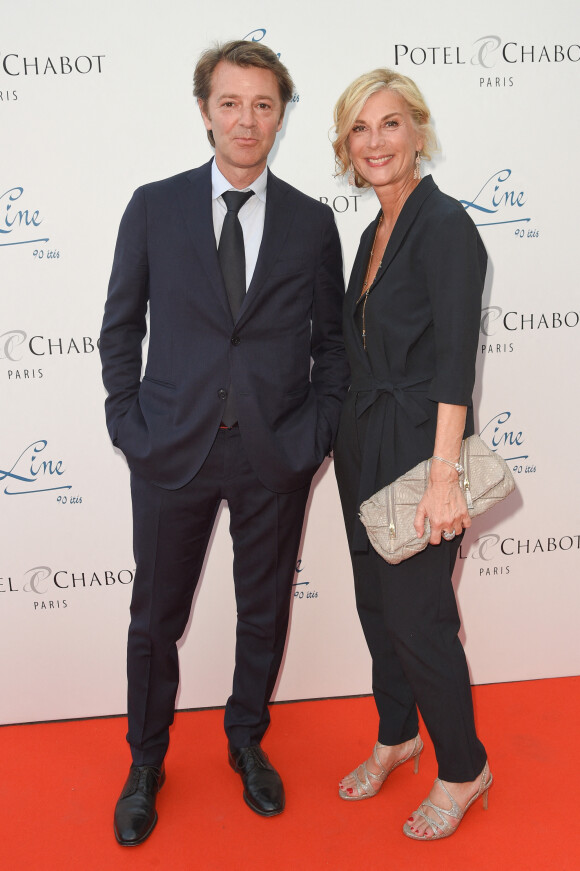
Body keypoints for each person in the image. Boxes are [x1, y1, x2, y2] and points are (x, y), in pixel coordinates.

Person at [99, 39, 347, 846]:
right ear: (205, 109)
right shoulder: (153, 205)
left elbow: (334, 346)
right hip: (170, 450)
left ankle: (246, 739)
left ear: (282, 116)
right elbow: (119, 328)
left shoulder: (312, 222)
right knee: (154, 618)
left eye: (264, 105)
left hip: (274, 454)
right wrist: (129, 425)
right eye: (232, 103)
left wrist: (312, 436)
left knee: (263, 612)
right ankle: (145, 760)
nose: (247, 120)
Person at [331, 68, 492, 841]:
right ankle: (398, 733)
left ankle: (463, 768)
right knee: (375, 605)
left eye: (389, 124)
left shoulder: (446, 225)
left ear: (418, 133)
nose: (375, 142)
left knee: (417, 616)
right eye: (360, 129)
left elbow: (456, 357)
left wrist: (444, 473)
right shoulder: (373, 230)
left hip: (422, 449)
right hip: (365, 439)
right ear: (345, 145)